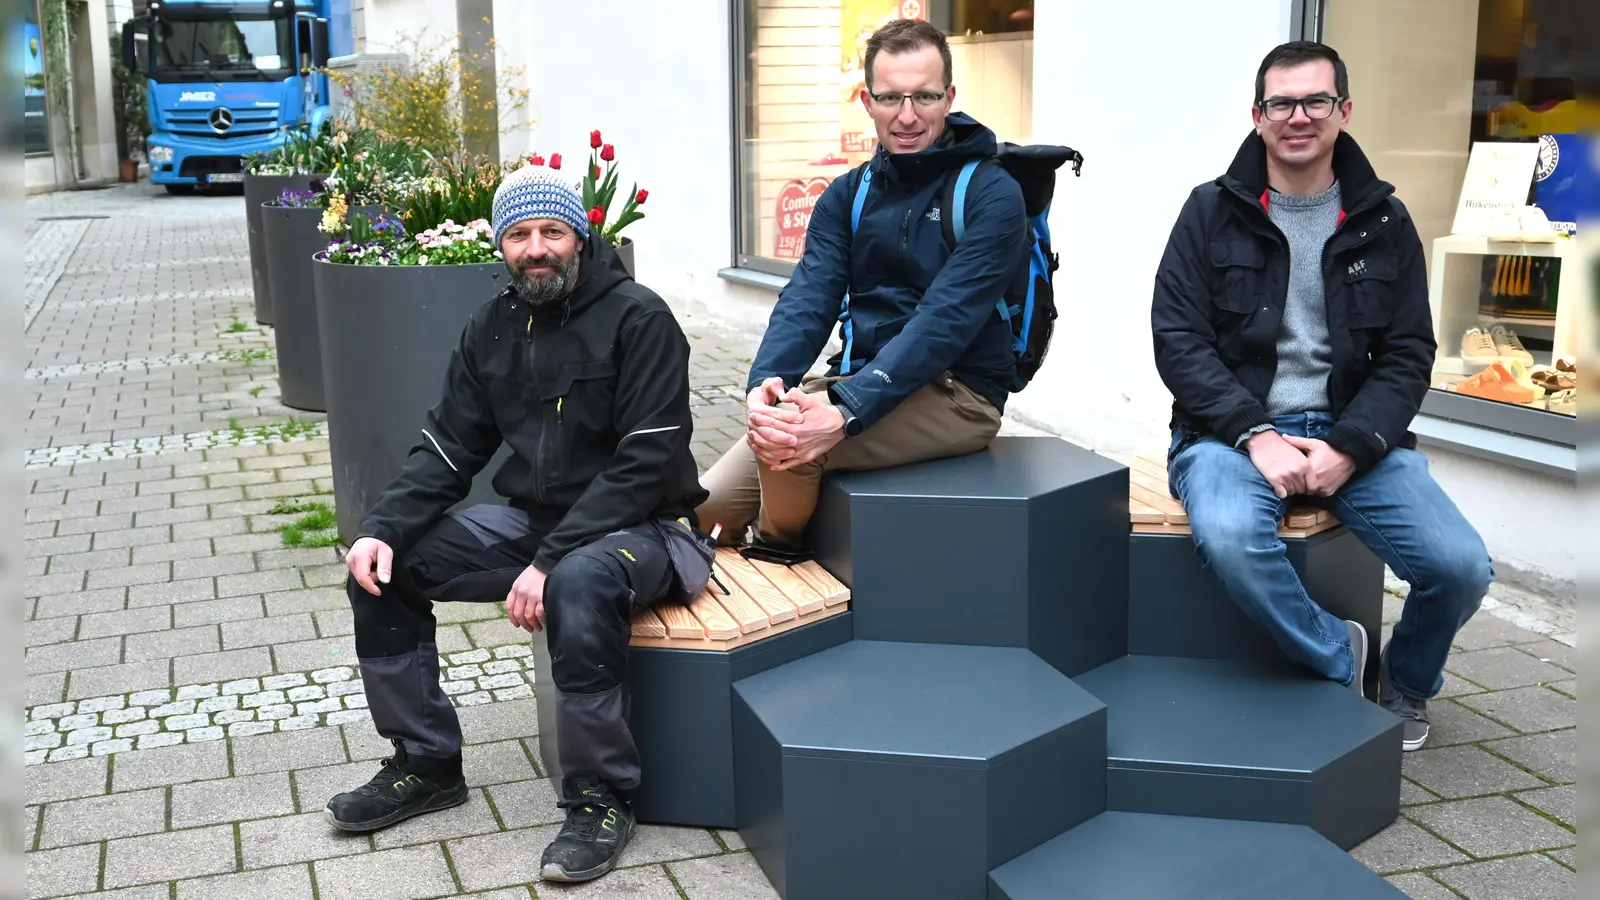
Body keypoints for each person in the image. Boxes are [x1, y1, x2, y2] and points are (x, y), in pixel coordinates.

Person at [321, 164, 712, 883]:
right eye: (520, 234)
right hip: (537, 527)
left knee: (580, 582)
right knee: (387, 570)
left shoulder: (641, 318)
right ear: (501, 245)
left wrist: (551, 560)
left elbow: (646, 464)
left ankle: (600, 797)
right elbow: (448, 445)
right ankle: (427, 762)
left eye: (552, 232)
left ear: (580, 237)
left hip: (650, 530)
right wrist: (381, 527)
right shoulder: (493, 325)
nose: (537, 248)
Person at [1151, 41, 1492, 751]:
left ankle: (1408, 681)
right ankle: (1341, 655)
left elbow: (1408, 355)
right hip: (1228, 434)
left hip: (1354, 431)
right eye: (1282, 103)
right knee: (1233, 540)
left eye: (1315, 101)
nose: (1298, 116)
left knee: (1460, 567)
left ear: (1344, 110)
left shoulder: (1385, 220)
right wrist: (1254, 433)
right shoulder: (1210, 211)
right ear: (1258, 115)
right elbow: (1178, 340)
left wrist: (1352, 444)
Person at [698, 18, 1029, 550]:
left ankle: (780, 561)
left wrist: (846, 410)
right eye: (890, 97)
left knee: (789, 446)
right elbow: (809, 295)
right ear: (867, 100)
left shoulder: (992, 195)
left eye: (924, 96)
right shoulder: (848, 195)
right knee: (707, 504)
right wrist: (768, 382)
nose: (906, 115)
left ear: (949, 98)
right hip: (859, 379)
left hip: (957, 393)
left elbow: (945, 319)